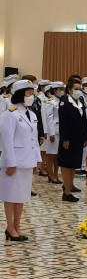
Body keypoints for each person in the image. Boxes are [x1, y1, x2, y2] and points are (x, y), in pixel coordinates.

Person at [0, 80, 41, 241]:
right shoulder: (10, 114)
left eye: (32, 93)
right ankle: (10, 228)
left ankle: (17, 226)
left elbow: (34, 140)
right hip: (14, 162)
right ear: (20, 94)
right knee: (10, 196)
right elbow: (7, 140)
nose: (32, 96)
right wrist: (10, 163)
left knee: (21, 196)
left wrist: (37, 160)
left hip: (26, 162)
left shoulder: (31, 114)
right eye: (29, 93)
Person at [58, 79, 87, 202]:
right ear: (69, 89)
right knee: (66, 164)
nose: (78, 91)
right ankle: (66, 192)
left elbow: (84, 119)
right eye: (76, 89)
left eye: (79, 89)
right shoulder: (64, 101)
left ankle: (70, 186)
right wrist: (65, 138)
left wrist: (85, 136)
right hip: (68, 138)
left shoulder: (80, 100)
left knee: (73, 164)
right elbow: (63, 122)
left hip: (79, 137)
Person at [45, 82, 65, 184]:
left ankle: (56, 174)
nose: (62, 90)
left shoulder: (62, 101)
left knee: (57, 155)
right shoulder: (50, 102)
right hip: (54, 131)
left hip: (61, 131)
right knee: (51, 155)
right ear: (54, 90)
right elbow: (49, 118)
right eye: (59, 88)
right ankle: (50, 174)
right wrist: (51, 133)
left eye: (62, 88)